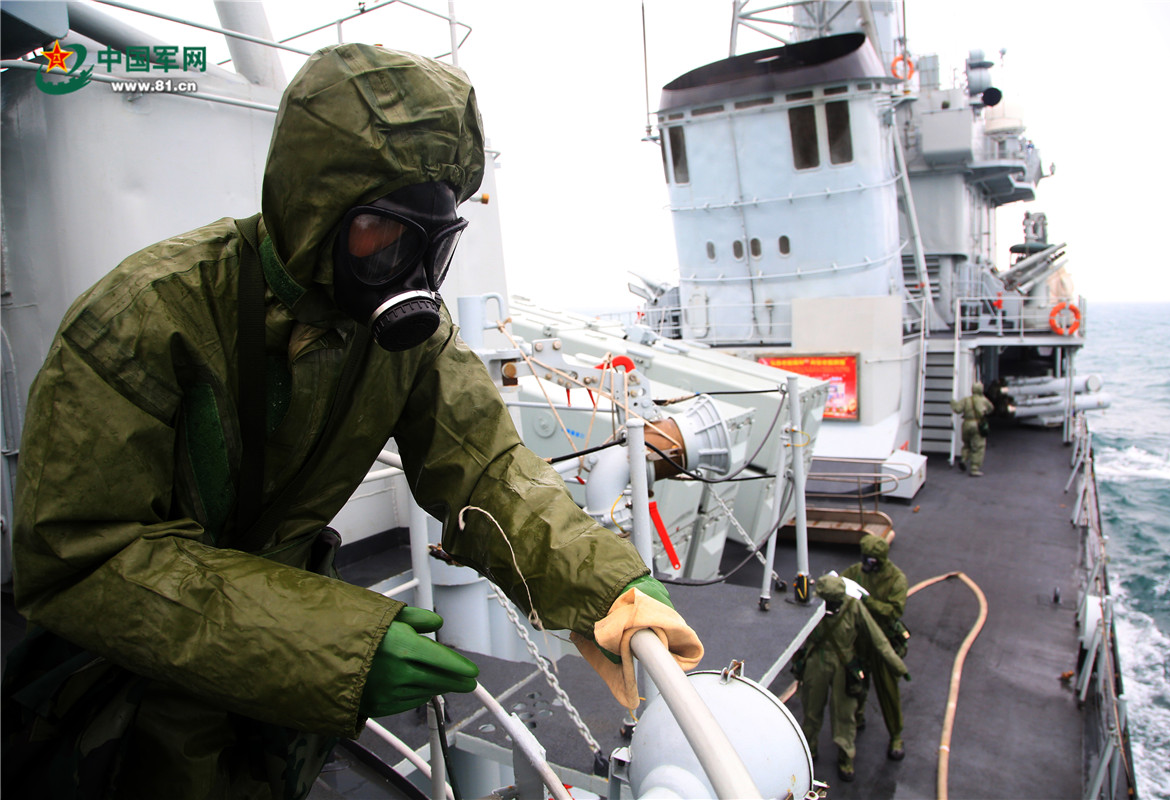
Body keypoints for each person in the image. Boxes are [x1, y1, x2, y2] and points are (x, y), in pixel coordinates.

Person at [2, 44, 699, 799]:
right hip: (129, 692)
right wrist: (337, 645)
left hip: (282, 686)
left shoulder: (403, 343)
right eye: (383, 233)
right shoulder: (144, 317)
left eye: (434, 244)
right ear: (313, 208)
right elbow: (82, 556)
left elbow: (490, 472)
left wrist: (605, 584)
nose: (409, 271)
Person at [791, 574, 908, 783]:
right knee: (811, 709)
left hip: (843, 663)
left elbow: (878, 639)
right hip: (816, 660)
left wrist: (897, 666)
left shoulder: (853, 607)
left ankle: (846, 756)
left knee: (845, 713)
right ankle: (809, 748)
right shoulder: (812, 603)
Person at [842, 534, 909, 760]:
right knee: (856, 683)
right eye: (864, 558)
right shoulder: (857, 571)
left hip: (883, 641)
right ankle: (858, 716)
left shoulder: (896, 580)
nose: (865, 563)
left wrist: (867, 602)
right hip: (860, 639)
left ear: (880, 560)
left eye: (870, 560)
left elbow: (895, 611)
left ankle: (896, 734)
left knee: (888, 689)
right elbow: (842, 582)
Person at [951, 381, 995, 476]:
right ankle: (974, 468)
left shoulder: (966, 400)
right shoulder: (983, 400)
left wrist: (953, 403)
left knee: (966, 444)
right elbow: (991, 408)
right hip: (977, 424)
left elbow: (957, 409)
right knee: (978, 446)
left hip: (966, 424)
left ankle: (963, 459)